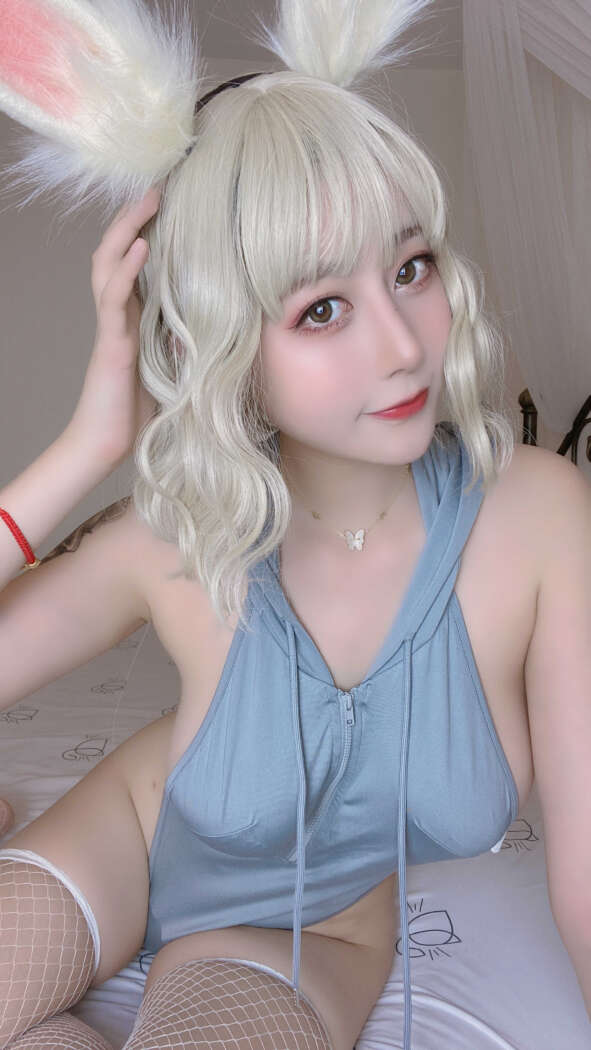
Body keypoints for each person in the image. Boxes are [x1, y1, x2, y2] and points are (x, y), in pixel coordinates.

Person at [1, 0, 590, 1048]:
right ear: (225, 347)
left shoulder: (537, 515)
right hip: (119, 842)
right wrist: (87, 447)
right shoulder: (174, 535)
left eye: (410, 268)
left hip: (303, 938)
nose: (403, 345)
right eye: (322, 308)